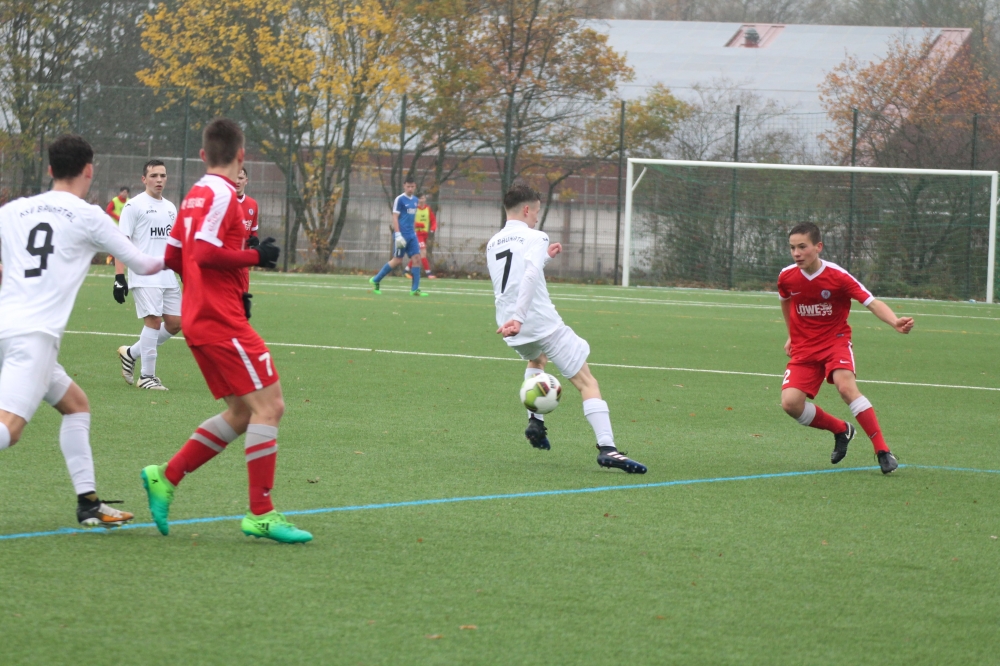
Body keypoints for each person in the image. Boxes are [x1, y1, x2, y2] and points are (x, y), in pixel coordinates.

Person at [141, 117, 312, 544]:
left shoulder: (193, 196)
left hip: (202, 316)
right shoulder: (223, 195)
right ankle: (261, 513)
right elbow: (203, 253)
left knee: (242, 411)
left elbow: (175, 258)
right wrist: (255, 258)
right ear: (241, 155)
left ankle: (166, 476)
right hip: (220, 320)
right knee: (270, 407)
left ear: (203, 155)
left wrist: (227, 288)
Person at [0, 134, 165, 528]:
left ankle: (88, 503)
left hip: (7, 326)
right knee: (9, 428)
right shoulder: (88, 216)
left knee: (76, 405)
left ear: (50, 169)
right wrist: (187, 252)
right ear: (89, 170)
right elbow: (144, 264)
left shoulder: (13, 210)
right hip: (33, 337)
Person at [487, 184, 647, 474]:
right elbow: (529, 274)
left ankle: (535, 422)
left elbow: (515, 274)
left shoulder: (493, 242)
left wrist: (545, 257)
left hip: (508, 326)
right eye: (536, 211)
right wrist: (521, 317)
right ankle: (607, 448)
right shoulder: (536, 235)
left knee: (537, 360)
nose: (537, 217)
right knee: (587, 382)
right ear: (527, 209)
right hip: (536, 321)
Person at [778, 222, 912, 474]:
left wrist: (894, 321)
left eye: (802, 247)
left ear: (818, 246)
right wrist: (791, 335)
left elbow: (871, 302)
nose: (796, 253)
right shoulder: (786, 276)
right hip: (805, 347)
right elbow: (786, 302)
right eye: (792, 248)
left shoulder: (837, 276)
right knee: (790, 404)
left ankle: (883, 451)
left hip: (835, 342)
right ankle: (841, 430)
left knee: (846, 387)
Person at [114, 159, 180, 390]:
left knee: (175, 324)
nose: (159, 180)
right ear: (144, 179)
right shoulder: (134, 206)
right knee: (153, 321)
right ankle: (147, 377)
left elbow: (174, 245)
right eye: (154, 176)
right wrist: (119, 278)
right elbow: (121, 243)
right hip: (144, 274)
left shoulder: (171, 208)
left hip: (167, 274)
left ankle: (131, 353)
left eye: (162, 175)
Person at [368, 176, 428, 296]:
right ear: (404, 186)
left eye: (412, 186)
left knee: (417, 258)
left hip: (412, 235)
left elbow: (411, 218)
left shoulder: (415, 200)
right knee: (397, 260)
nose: (410, 189)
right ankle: (376, 279)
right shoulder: (399, 199)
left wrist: (415, 230)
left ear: (415, 186)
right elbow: (395, 217)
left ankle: (415, 289)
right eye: (408, 186)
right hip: (402, 234)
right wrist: (398, 234)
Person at [405, 193, 437, 279]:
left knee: (418, 254)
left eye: (423, 198)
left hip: (425, 235)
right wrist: (418, 224)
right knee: (423, 253)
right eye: (419, 198)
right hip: (416, 234)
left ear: (425, 199)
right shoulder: (414, 209)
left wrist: (433, 228)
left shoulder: (428, 209)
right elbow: (408, 220)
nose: (421, 200)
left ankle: (406, 270)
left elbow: (433, 220)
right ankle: (428, 273)